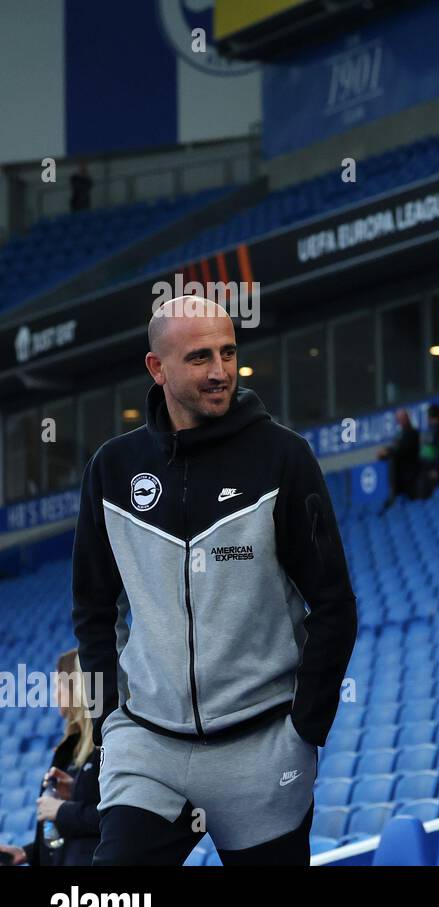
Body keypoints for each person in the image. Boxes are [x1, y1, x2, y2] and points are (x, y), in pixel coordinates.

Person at [72, 295, 357, 866]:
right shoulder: (112, 469)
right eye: (200, 357)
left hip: (263, 750)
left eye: (228, 353)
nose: (221, 371)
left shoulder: (284, 455)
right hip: (148, 745)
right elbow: (92, 612)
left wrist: (307, 726)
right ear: (158, 368)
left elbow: (334, 604)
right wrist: (108, 726)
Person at [0, 650, 101, 866]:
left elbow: (118, 819)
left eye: (58, 687)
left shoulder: (105, 746)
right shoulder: (71, 747)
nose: (54, 695)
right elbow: (67, 830)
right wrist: (25, 852)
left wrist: (61, 810)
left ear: (77, 688)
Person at [378, 408, 421, 510]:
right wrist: (384, 453)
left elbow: (401, 449)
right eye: (398, 419)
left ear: (407, 418)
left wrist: (387, 452)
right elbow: (394, 448)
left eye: (402, 418)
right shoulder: (399, 435)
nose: (400, 421)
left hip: (410, 479)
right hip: (398, 482)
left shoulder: (412, 433)